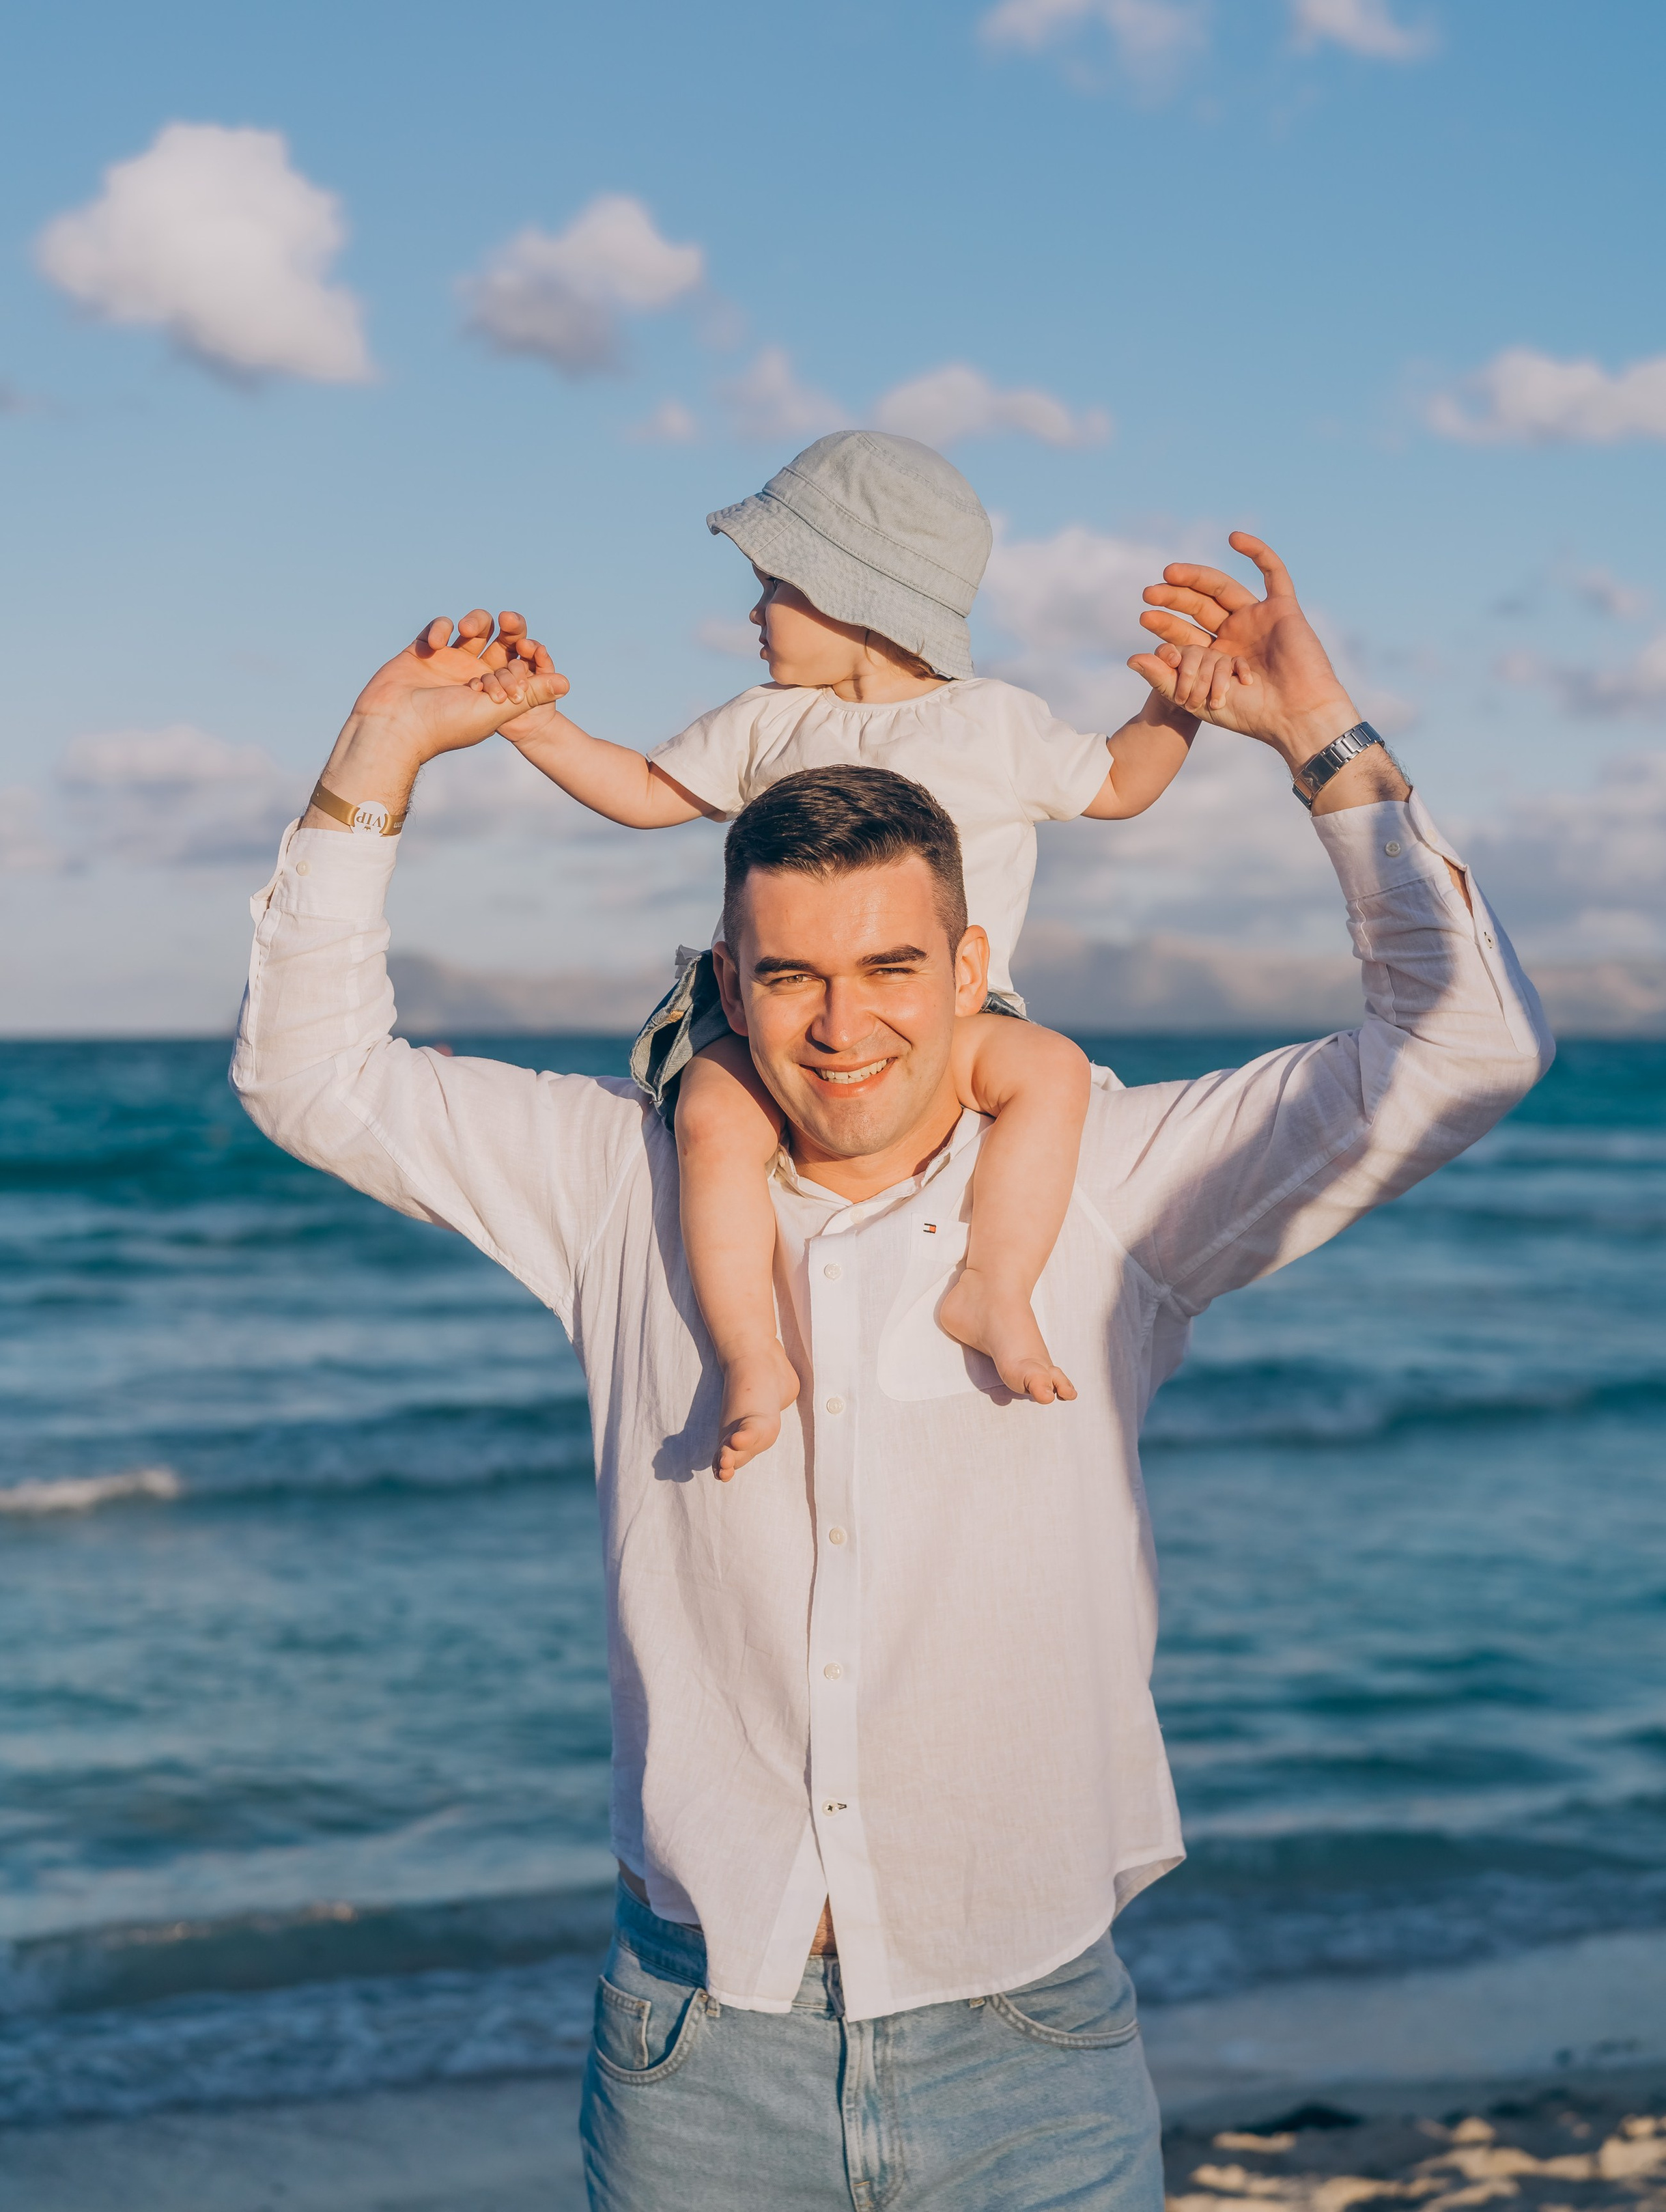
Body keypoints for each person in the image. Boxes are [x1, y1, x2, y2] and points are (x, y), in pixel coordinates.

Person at [233, 534, 1550, 2212]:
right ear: (724, 984)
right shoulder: (612, 1183)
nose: (839, 1029)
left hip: (1029, 2046)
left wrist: (1322, 740)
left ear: (967, 965)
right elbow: (310, 1076)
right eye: (785, 977)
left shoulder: (1114, 1188)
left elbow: (1466, 1048)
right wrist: (374, 762)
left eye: (885, 973)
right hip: (702, 2049)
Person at [478, 430, 1226, 1474]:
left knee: (1050, 1074)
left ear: (855, 595)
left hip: (957, 1021)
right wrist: (531, 724)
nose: (753, 612)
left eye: (774, 583)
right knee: (714, 1116)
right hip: (772, 1017)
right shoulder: (765, 724)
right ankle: (753, 1354)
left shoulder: (995, 725)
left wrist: (1175, 703)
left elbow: (1118, 784)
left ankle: (993, 1287)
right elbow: (646, 794)